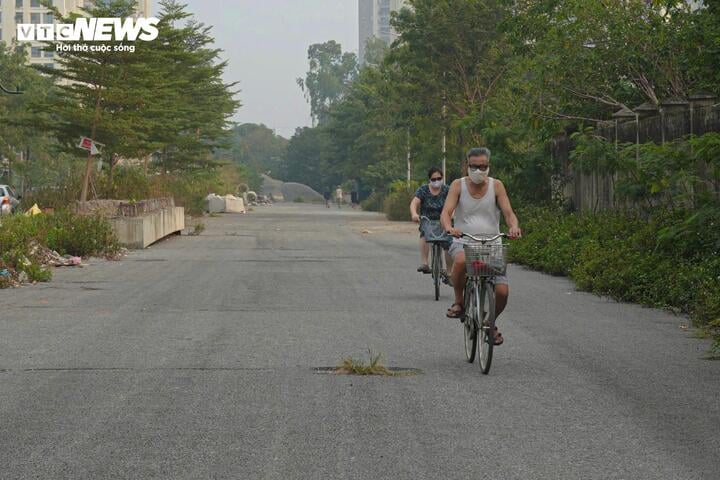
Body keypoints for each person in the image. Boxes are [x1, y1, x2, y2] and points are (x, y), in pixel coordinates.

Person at [440, 148, 522, 346]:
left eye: (483, 166)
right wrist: (449, 227)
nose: (479, 170)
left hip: (491, 243)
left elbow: (508, 212)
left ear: (488, 166)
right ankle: (459, 302)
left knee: (502, 292)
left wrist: (514, 226)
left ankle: (489, 324)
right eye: (474, 166)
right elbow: (446, 212)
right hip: (463, 241)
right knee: (460, 261)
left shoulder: (497, 186)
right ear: (467, 166)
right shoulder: (458, 186)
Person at [410, 167, 453, 279]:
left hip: (444, 221)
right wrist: (414, 214)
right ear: (429, 179)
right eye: (433, 179)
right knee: (424, 233)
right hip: (428, 220)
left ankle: (449, 272)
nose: (436, 181)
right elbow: (414, 203)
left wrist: (453, 214)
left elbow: (455, 203)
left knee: (449, 242)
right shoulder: (423, 190)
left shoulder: (447, 190)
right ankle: (425, 263)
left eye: (439, 178)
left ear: (442, 178)